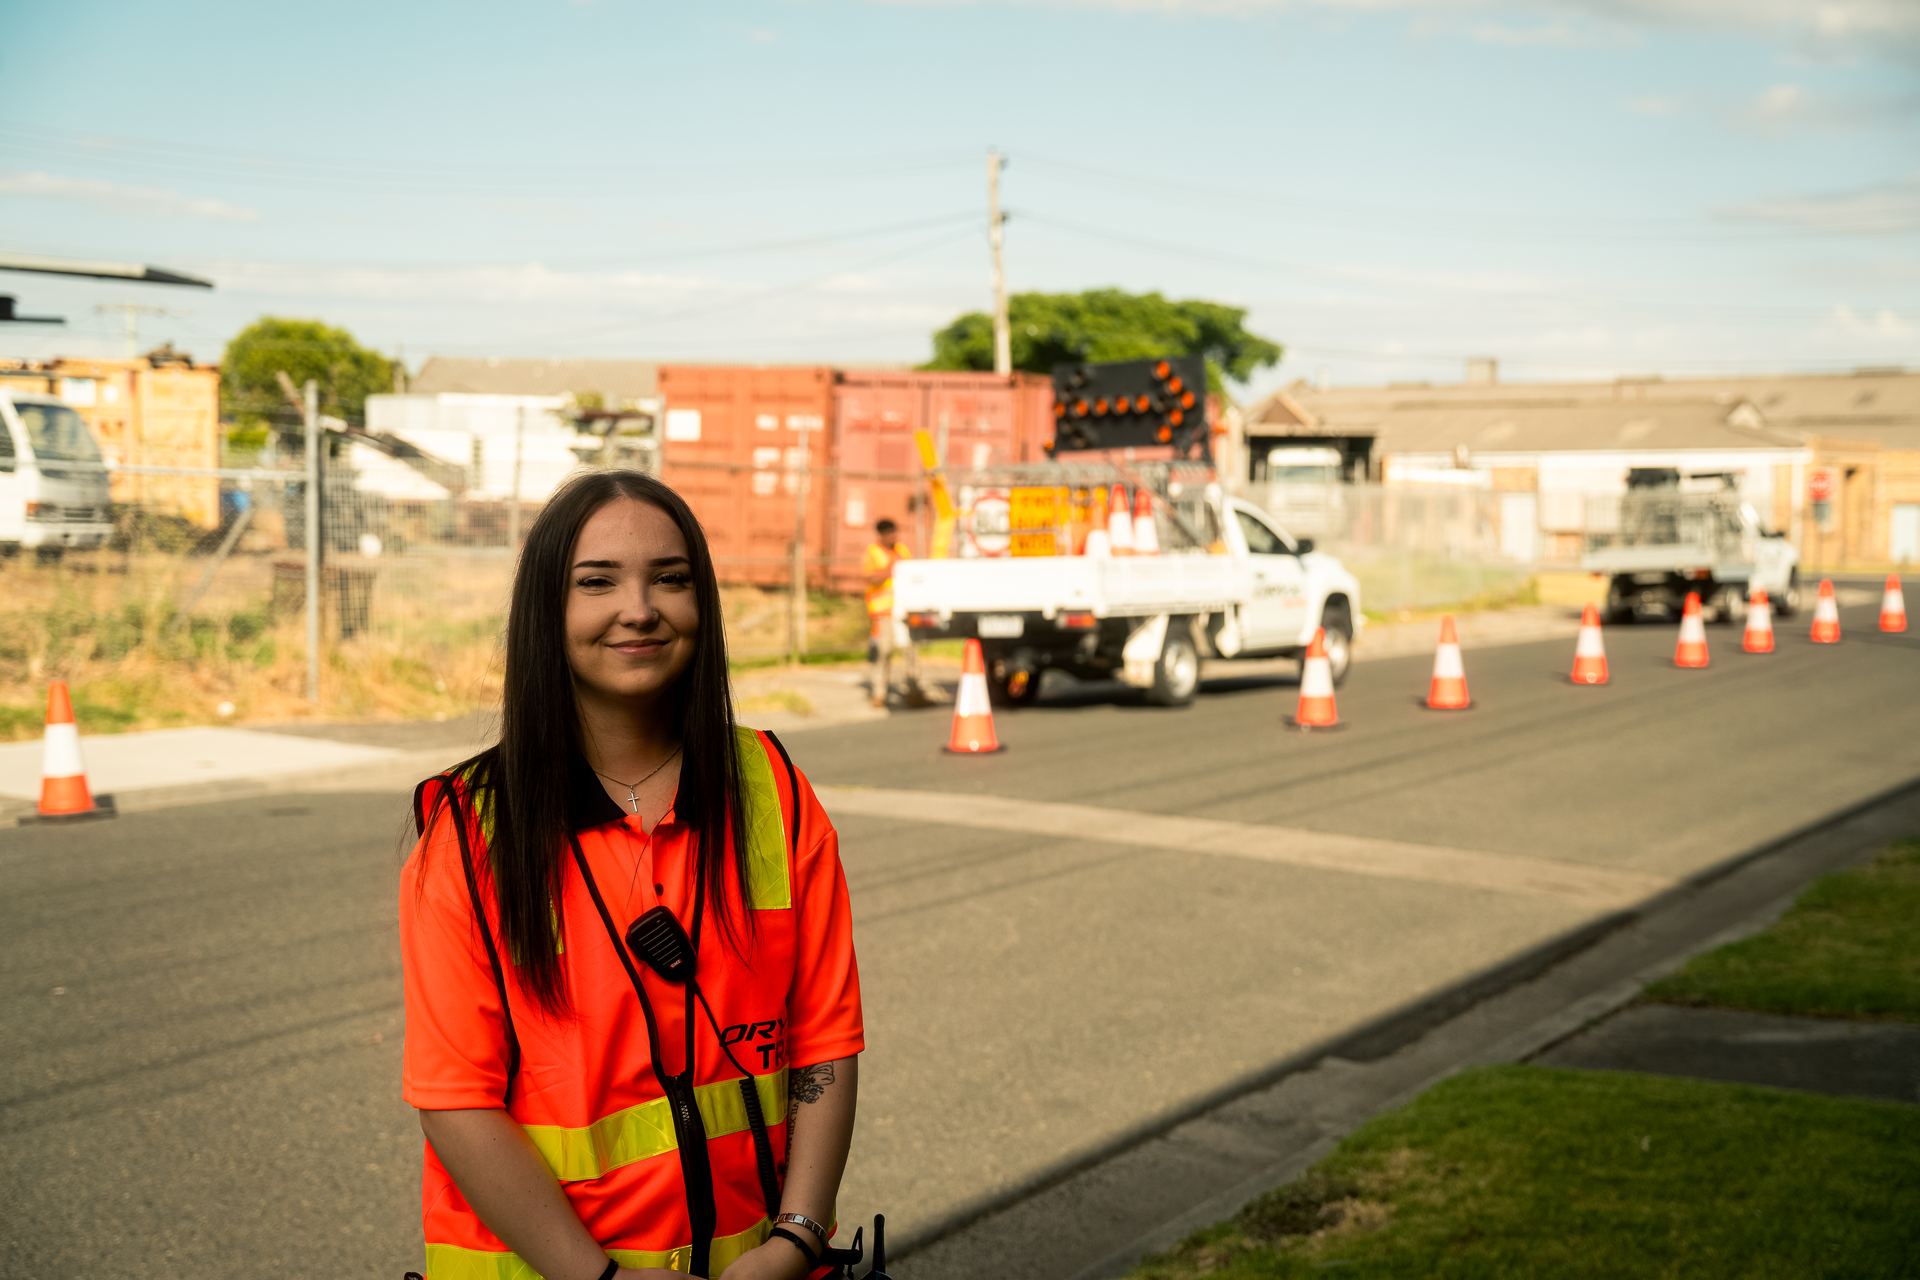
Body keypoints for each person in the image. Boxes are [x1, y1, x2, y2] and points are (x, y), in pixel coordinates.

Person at [400, 470, 863, 1280]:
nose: (640, 608)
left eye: (670, 579)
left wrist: (795, 1238)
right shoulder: (470, 832)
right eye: (597, 582)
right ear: (547, 610)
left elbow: (824, 1038)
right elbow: (455, 1097)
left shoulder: (773, 789)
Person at [861, 518, 922, 709]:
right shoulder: (873, 553)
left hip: (904, 609)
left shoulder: (902, 550)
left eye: (895, 533)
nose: (893, 537)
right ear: (881, 535)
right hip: (883, 611)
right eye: (889, 534)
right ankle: (879, 692)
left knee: (911, 651)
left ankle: (913, 691)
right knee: (883, 652)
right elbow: (871, 578)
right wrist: (892, 567)